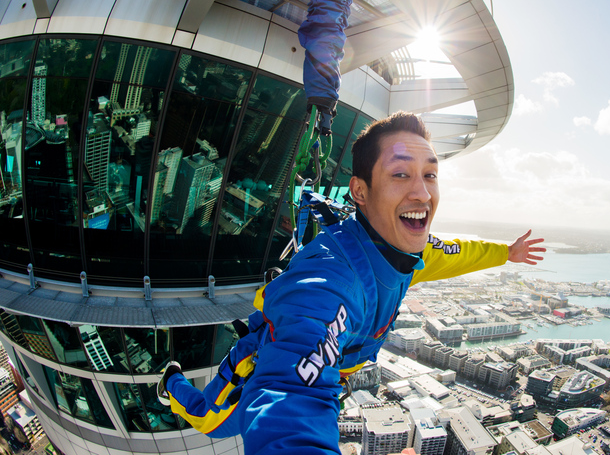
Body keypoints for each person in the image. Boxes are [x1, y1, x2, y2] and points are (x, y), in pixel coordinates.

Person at [158, 112, 545, 453]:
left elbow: (460, 250)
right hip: (261, 361)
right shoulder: (333, 278)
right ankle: (171, 384)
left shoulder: (410, 252)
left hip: (336, 369)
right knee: (213, 421)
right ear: (359, 191)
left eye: (430, 174)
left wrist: (505, 253)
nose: (423, 192)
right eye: (400, 173)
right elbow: (289, 400)